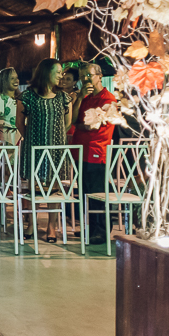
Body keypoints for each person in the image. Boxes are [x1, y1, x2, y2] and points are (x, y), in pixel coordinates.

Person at [19, 58, 72, 242]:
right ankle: (31, 224)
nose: (60, 76)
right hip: (34, 147)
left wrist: (55, 137)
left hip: (56, 148)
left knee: (54, 187)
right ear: (46, 72)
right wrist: (31, 138)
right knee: (33, 187)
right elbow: (20, 122)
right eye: (57, 72)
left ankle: (51, 226)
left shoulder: (63, 97)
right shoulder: (28, 96)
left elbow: (67, 123)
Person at [68, 62, 116, 244]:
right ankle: (90, 228)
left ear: (99, 76)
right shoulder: (86, 98)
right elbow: (74, 120)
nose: (85, 79)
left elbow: (92, 125)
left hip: (97, 150)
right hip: (80, 150)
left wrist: (79, 126)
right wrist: (80, 97)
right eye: (82, 77)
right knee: (85, 192)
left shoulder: (107, 99)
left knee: (98, 193)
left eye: (89, 75)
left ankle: (102, 231)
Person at [0, 66, 21, 145]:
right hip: (7, 140)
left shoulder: (21, 99)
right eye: (12, 78)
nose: (16, 81)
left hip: (21, 140)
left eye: (17, 78)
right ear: (4, 81)